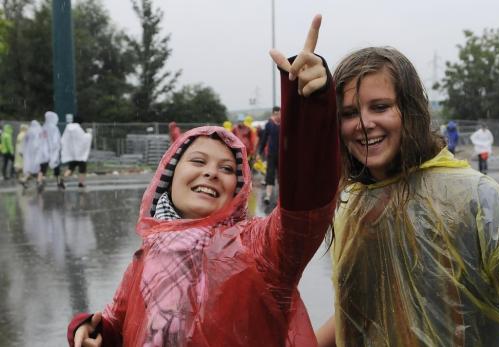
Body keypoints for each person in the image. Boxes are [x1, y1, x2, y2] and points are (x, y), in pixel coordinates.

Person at [68, 14, 340, 347]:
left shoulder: (259, 248)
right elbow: (116, 323)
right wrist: (86, 329)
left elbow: (305, 208)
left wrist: (308, 109)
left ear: (238, 192)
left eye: (227, 169)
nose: (211, 172)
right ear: (169, 176)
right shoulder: (146, 257)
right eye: (197, 161)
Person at [316, 47, 499, 346]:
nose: (363, 124)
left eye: (380, 107)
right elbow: (355, 315)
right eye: (349, 113)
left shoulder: (473, 197)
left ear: (410, 109)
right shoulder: (353, 204)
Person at [257, 106, 281, 204]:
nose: (277, 116)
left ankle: (280, 199)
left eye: (279, 113)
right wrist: (259, 152)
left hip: (282, 155)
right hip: (271, 154)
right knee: (270, 175)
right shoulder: (269, 125)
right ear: (273, 114)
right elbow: (264, 139)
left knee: (281, 177)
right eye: (275, 114)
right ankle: (268, 196)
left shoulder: (284, 124)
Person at [61, 117, 93, 188]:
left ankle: (62, 179)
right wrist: (89, 134)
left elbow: (64, 139)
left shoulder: (68, 128)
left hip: (72, 154)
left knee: (70, 169)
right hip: (80, 155)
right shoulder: (78, 128)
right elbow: (83, 139)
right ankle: (81, 183)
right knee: (82, 170)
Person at [37, 111, 63, 191]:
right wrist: (58, 148)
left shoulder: (43, 127)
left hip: (43, 151)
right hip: (52, 151)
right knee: (56, 167)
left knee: (42, 168)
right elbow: (56, 140)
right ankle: (59, 182)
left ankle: (39, 182)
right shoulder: (54, 128)